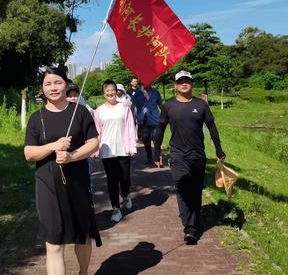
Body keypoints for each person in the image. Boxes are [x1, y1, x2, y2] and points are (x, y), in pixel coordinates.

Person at [24, 67, 101, 275]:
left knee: (82, 238)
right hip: (47, 184)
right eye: (48, 84)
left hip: (77, 182)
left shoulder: (80, 112)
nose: (53, 88)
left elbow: (94, 143)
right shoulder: (37, 118)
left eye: (58, 82)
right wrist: (54, 146)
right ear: (42, 89)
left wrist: (71, 156)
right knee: (54, 243)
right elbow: (29, 153)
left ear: (66, 84)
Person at [153, 71, 226, 245]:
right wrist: (157, 152)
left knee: (195, 190)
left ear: (192, 84)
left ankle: (193, 221)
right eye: (181, 82)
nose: (184, 84)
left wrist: (219, 149)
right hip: (177, 154)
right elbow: (160, 130)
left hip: (197, 155)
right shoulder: (169, 106)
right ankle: (190, 228)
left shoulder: (201, 105)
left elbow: (211, 127)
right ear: (175, 85)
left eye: (187, 81)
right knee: (182, 188)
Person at [93, 79, 137, 223]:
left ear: (116, 91)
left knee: (125, 178)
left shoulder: (124, 108)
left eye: (112, 90)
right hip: (107, 150)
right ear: (103, 93)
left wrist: (132, 147)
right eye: (107, 91)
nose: (110, 93)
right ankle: (116, 209)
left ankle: (125, 195)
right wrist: (94, 151)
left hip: (123, 148)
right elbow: (97, 132)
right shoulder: (99, 111)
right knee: (112, 180)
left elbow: (130, 127)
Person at [66, 82, 95, 193]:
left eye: (75, 95)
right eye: (69, 95)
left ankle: (89, 205)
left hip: (84, 153)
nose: (73, 98)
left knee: (87, 181)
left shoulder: (86, 112)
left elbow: (92, 135)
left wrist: (92, 153)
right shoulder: (60, 113)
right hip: (66, 154)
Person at [131, 82, 162, 165]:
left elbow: (160, 104)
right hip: (142, 121)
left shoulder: (156, 92)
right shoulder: (137, 93)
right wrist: (132, 118)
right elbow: (133, 105)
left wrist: (165, 116)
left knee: (156, 140)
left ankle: (159, 158)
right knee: (146, 141)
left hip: (155, 120)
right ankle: (149, 157)